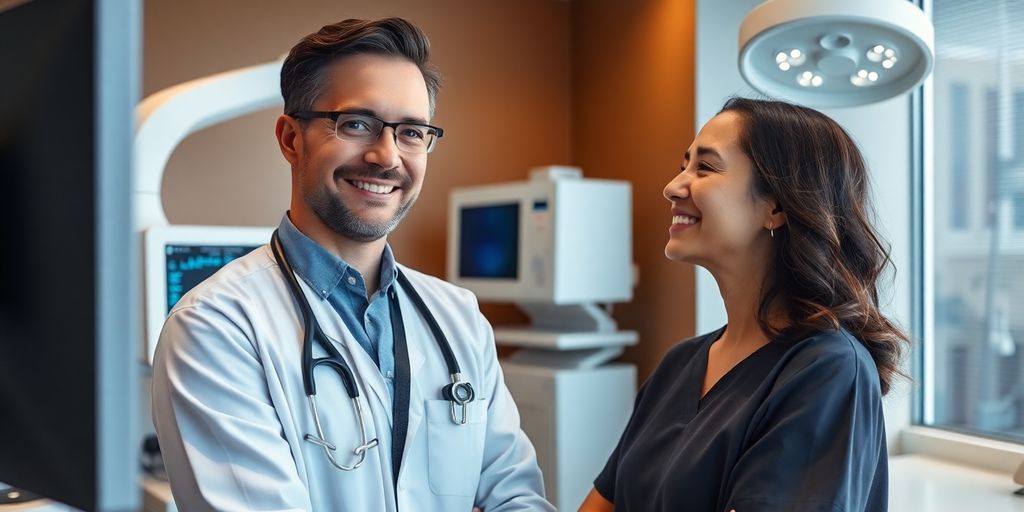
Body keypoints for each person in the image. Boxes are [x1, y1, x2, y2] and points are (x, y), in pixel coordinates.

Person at [151, 18, 553, 512]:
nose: (386, 156)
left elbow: (518, 499)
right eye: (356, 123)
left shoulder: (459, 318)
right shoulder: (215, 327)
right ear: (290, 139)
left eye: (411, 132)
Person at [579, 98, 909, 512]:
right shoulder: (679, 365)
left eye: (705, 167)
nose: (673, 186)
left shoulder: (826, 369)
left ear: (776, 207)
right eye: (684, 165)